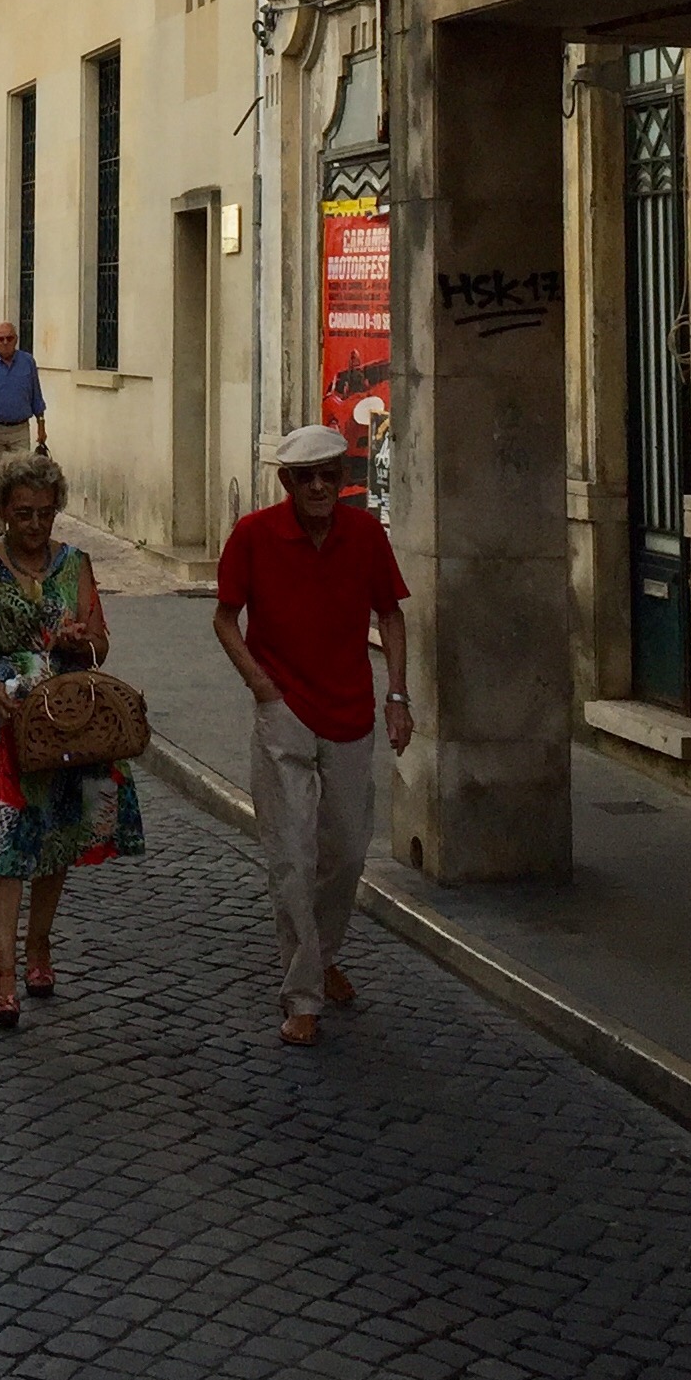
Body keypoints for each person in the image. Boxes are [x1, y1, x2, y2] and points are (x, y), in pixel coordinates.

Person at [212, 424, 413, 1047]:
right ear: (287, 482)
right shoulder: (254, 535)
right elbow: (225, 617)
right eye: (307, 478)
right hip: (284, 711)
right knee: (292, 857)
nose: (320, 487)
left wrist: (397, 695)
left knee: (348, 851)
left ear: (342, 477)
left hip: (350, 711)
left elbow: (391, 614)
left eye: (329, 475)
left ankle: (322, 956)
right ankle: (303, 995)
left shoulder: (366, 535)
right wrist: (259, 684)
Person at [0, 451, 143, 1027]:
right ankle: (2, 973)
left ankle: (39, 946)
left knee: (56, 838)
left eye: (45, 513)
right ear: (3, 510)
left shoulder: (76, 564)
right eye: (23, 512)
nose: (34, 524)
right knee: (3, 845)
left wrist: (80, 641)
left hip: (65, 721)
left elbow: (100, 644)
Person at [0, 319, 45, 472]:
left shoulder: (28, 362)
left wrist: (41, 427)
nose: (5, 342)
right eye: (0, 339)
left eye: (9, 338)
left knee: (22, 475)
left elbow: (36, 396)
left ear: (16, 339)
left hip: (20, 430)